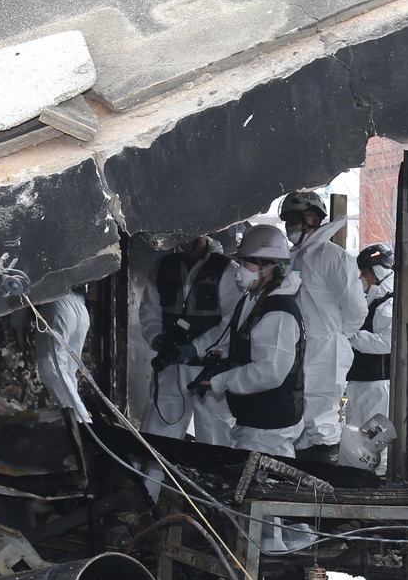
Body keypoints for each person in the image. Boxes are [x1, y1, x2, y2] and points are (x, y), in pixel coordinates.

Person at [192, 224, 306, 456]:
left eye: (247, 263)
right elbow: (246, 341)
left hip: (269, 427)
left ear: (269, 267)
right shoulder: (255, 299)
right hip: (255, 420)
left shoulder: (278, 310)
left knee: (264, 488)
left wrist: (222, 381)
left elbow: (269, 371)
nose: (240, 270)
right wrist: (223, 354)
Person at [281, 191, 367, 464]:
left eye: (299, 217)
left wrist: (336, 338)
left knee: (321, 420)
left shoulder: (332, 257)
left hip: (325, 348)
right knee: (301, 421)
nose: (293, 224)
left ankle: (326, 489)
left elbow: (356, 309)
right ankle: (305, 485)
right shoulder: (293, 257)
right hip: (300, 348)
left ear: (315, 219)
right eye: (289, 218)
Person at [138, 234, 240, 450]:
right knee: (157, 435)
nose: (182, 241)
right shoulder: (162, 266)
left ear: (202, 233)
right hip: (171, 367)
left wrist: (197, 347)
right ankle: (148, 483)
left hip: (209, 371)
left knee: (215, 440)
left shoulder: (226, 269)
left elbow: (233, 320)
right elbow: (149, 309)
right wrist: (155, 335)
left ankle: (213, 483)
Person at [345, 242, 395, 434]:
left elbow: (388, 342)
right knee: (354, 442)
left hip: (376, 387)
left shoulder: (387, 305)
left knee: (375, 446)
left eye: (365, 274)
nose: (362, 279)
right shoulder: (371, 302)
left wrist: (352, 336)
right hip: (359, 383)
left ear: (378, 273)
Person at [34, 286, 92, 424]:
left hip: (58, 303)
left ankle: (81, 421)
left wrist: (19, 325)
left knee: (52, 368)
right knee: (68, 372)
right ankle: (72, 420)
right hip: (81, 309)